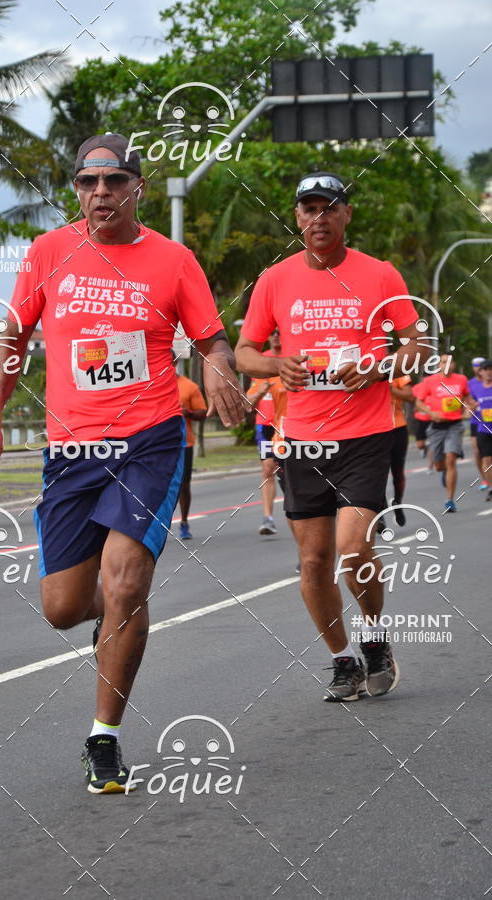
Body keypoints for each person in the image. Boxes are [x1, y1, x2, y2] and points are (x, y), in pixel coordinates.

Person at [0, 133, 244, 794]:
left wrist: (219, 369)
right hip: (72, 450)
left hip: (149, 440)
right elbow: (13, 338)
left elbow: (212, 339)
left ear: (136, 187)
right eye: (88, 183)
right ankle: (116, 612)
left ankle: (104, 738)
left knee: (125, 580)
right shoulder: (48, 252)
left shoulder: (173, 260)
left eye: (114, 181)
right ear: (76, 190)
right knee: (62, 608)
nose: (101, 194)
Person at [236, 171, 423, 702]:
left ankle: (374, 637)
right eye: (309, 209)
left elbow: (417, 345)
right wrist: (276, 364)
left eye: (329, 208)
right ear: (297, 217)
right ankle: (343, 661)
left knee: (352, 547)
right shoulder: (275, 280)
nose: (319, 218)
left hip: (365, 435)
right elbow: (246, 351)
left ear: (346, 214)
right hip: (301, 439)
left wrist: (379, 366)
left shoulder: (380, 274)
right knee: (315, 561)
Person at [415, 354, 476, 513]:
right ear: (439, 365)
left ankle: (449, 500)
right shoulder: (430, 381)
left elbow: (467, 397)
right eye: (443, 362)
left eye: (450, 361)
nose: (447, 364)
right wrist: (431, 413)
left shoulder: (461, 379)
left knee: (450, 459)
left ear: (454, 364)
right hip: (437, 426)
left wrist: (470, 406)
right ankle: (444, 470)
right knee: (439, 465)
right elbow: (418, 402)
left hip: (455, 425)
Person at [246, 330, 282, 535]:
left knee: (290, 472)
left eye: (279, 332)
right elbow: (248, 402)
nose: (276, 336)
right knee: (268, 469)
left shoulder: (293, 358)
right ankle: (268, 518)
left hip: (289, 425)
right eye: (272, 333)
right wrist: (260, 392)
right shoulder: (261, 361)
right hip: (266, 426)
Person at [173, 354, 207, 539]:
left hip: (184, 443)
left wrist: (189, 413)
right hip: (158, 445)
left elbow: (202, 413)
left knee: (183, 485)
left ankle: (184, 522)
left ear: (175, 362)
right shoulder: (151, 385)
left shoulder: (189, 386)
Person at [388, 375, 414, 526]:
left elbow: (410, 396)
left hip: (397, 427)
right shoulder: (364, 367)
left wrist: (390, 388)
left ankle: (398, 503)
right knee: (377, 474)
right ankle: (379, 512)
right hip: (374, 430)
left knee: (398, 472)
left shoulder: (398, 370)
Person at [472, 359, 492, 501]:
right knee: (486, 459)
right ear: (481, 372)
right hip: (483, 429)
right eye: (486, 369)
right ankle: (491, 487)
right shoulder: (476, 388)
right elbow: (470, 405)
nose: (489, 372)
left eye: (491, 369)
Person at [468, 356, 488, 490]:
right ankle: (485, 479)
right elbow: (467, 401)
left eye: (481, 366)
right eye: (476, 366)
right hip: (476, 422)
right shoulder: (470, 383)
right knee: (477, 452)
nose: (479, 369)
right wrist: (471, 407)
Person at [411, 378, 434, 473]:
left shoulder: (436, 386)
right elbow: (411, 398)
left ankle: (430, 467)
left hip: (433, 419)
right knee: (420, 445)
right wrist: (415, 406)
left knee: (432, 444)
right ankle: (424, 448)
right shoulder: (417, 388)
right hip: (420, 419)